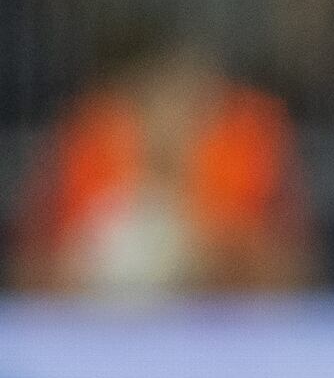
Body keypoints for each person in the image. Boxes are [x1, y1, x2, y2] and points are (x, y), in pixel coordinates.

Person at [14, 19, 313, 299]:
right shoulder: (87, 144)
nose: (168, 117)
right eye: (150, 99)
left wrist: (207, 243)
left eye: (187, 98)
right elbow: (32, 276)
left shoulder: (248, 144)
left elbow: (289, 279)